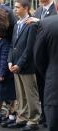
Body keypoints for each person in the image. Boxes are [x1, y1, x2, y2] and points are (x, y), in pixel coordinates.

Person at [7, 0, 41, 131]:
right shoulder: (17, 24)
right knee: (20, 95)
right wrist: (10, 62)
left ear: (26, 8)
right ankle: (22, 117)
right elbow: (12, 45)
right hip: (15, 65)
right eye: (14, 7)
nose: (14, 10)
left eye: (17, 7)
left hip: (26, 66)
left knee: (31, 94)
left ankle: (33, 121)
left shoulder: (32, 24)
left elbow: (29, 48)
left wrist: (19, 64)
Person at [25, 0, 57, 127]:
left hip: (50, 59)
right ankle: (44, 116)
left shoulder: (54, 10)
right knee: (42, 90)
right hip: (43, 60)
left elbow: (49, 26)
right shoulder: (38, 10)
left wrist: (38, 22)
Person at [34, 0, 58, 130]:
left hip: (53, 80)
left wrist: (48, 71)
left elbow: (39, 56)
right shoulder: (38, 11)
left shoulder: (48, 23)